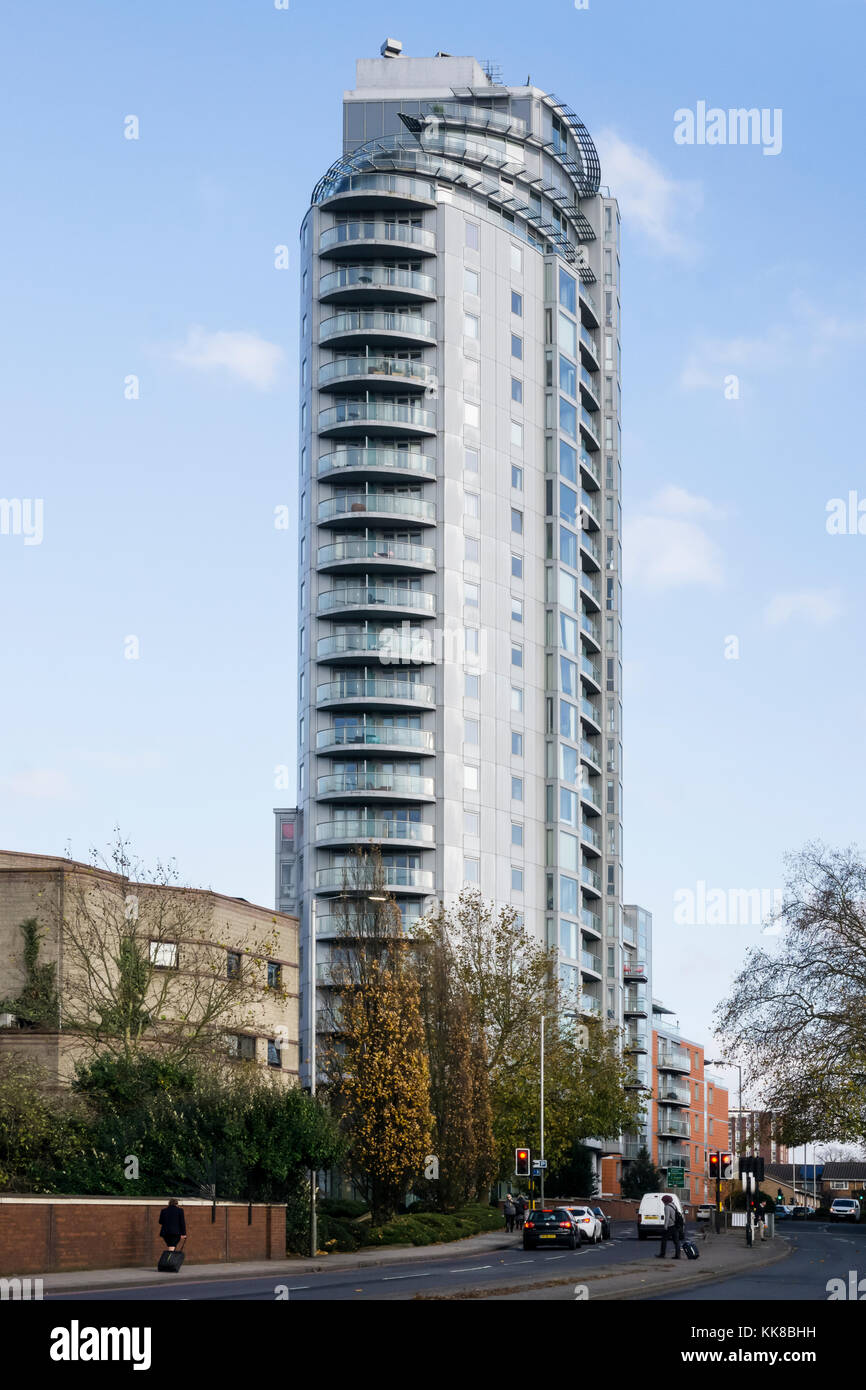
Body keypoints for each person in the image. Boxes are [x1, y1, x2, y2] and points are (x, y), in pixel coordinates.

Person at [656, 1194, 683, 1259]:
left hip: (670, 1226)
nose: (662, 1202)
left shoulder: (667, 1207)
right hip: (676, 1225)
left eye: (663, 1201)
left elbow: (667, 1218)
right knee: (676, 1241)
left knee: (664, 1240)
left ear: (665, 1201)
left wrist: (665, 1227)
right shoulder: (674, 1206)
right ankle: (678, 1255)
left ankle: (662, 1254)